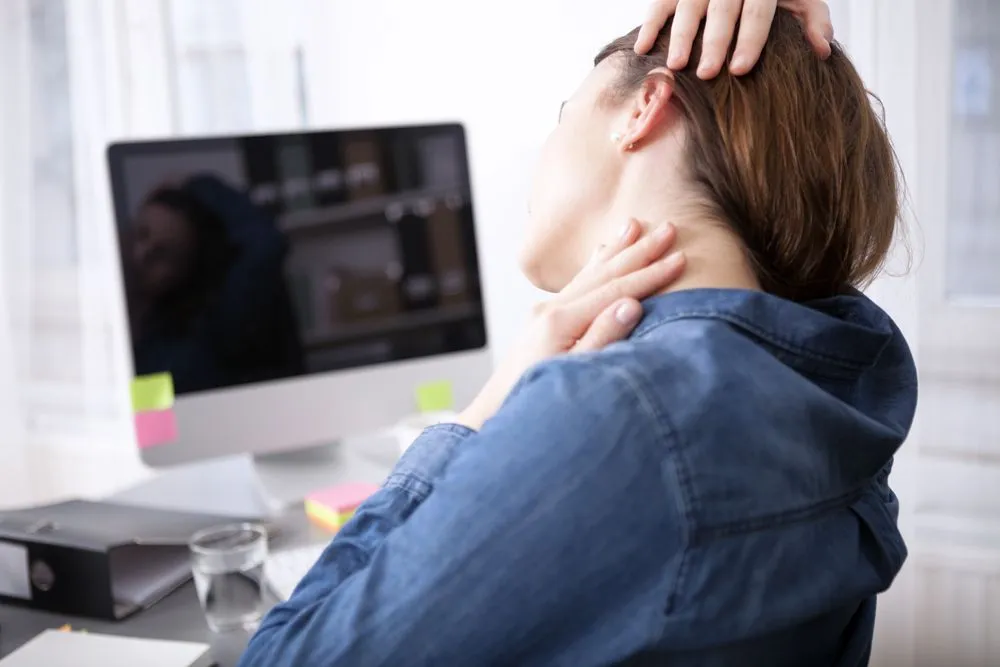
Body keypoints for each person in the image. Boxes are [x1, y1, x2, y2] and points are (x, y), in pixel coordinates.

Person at [241, 0, 914, 665]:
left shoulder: (620, 411)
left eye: (564, 114)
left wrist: (485, 411)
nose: (543, 154)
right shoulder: (843, 376)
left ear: (643, 108)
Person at [125, 174, 303, 394]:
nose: (141, 255)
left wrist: (197, 186)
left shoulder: (188, 345)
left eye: (162, 254)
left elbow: (266, 244)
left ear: (182, 273)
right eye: (142, 233)